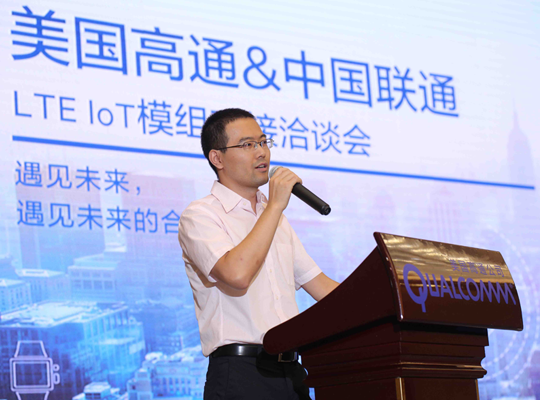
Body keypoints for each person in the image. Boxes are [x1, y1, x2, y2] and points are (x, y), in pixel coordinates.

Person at [178, 108, 339, 400]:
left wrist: (381, 302)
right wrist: (275, 206)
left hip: (292, 373)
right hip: (240, 374)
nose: (261, 152)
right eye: (248, 145)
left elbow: (320, 286)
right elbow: (236, 274)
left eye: (264, 142)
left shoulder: (273, 216)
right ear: (217, 158)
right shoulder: (200, 215)